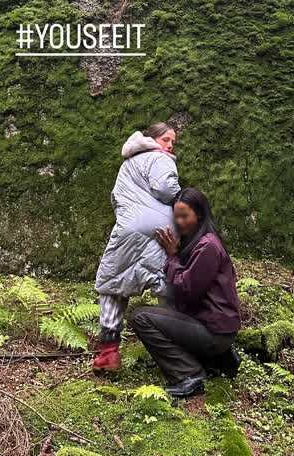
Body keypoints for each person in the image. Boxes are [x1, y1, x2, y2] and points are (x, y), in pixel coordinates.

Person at [128, 187, 242, 398]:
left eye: (184, 216)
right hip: (214, 328)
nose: (179, 222)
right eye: (176, 217)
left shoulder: (208, 246)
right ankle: (218, 360)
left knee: (140, 317)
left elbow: (186, 288)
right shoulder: (197, 242)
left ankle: (189, 375)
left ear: (199, 215)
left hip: (215, 333)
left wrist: (172, 256)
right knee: (163, 313)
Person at [93, 122, 181, 371]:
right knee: (167, 286)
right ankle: (175, 350)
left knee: (111, 285)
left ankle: (108, 353)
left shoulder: (128, 164)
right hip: (163, 230)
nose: (170, 145)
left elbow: (116, 198)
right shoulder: (160, 158)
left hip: (129, 228)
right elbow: (166, 189)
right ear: (151, 139)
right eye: (166, 139)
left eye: (173, 142)